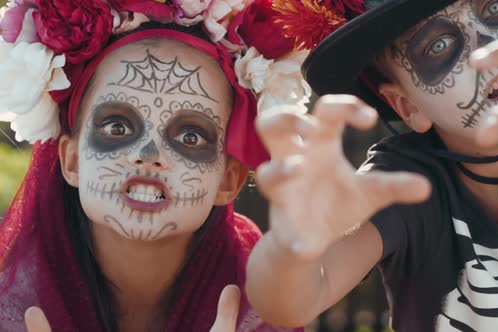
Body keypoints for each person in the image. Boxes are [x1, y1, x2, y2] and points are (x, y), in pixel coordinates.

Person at [246, 0, 498, 330]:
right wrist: (292, 247)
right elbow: (293, 303)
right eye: (438, 45)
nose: (485, 48)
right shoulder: (401, 184)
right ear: (407, 106)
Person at [0, 0, 309, 331]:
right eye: (117, 127)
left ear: (228, 180)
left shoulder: (263, 303)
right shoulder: (10, 307)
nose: (148, 154)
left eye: (190, 137)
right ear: (72, 160)